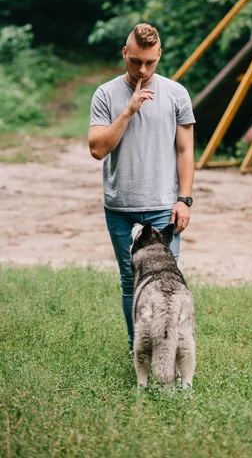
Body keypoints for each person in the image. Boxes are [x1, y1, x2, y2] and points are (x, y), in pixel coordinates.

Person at [88, 23, 195, 350]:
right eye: (136, 61)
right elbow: (97, 148)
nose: (143, 69)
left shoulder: (176, 94)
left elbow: (185, 149)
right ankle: (140, 349)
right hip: (121, 208)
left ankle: (169, 350)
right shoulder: (106, 94)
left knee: (166, 283)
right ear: (125, 54)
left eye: (150, 62)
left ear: (159, 55)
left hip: (164, 208)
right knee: (130, 282)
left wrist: (185, 199)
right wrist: (129, 111)